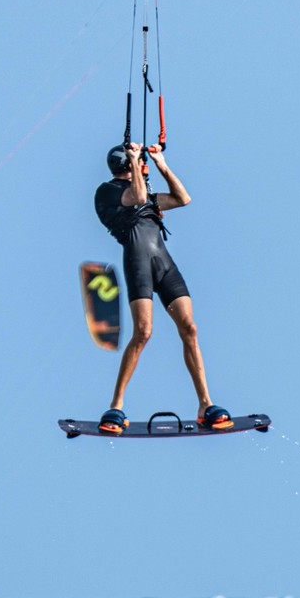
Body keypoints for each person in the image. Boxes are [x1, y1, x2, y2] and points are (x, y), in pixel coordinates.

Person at [93, 142, 228, 434]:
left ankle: (206, 404)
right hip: (138, 263)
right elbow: (137, 195)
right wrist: (133, 160)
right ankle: (115, 406)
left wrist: (160, 164)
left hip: (164, 264)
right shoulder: (107, 192)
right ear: (127, 166)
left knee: (189, 327)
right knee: (143, 332)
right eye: (137, 163)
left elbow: (183, 198)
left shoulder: (144, 193)